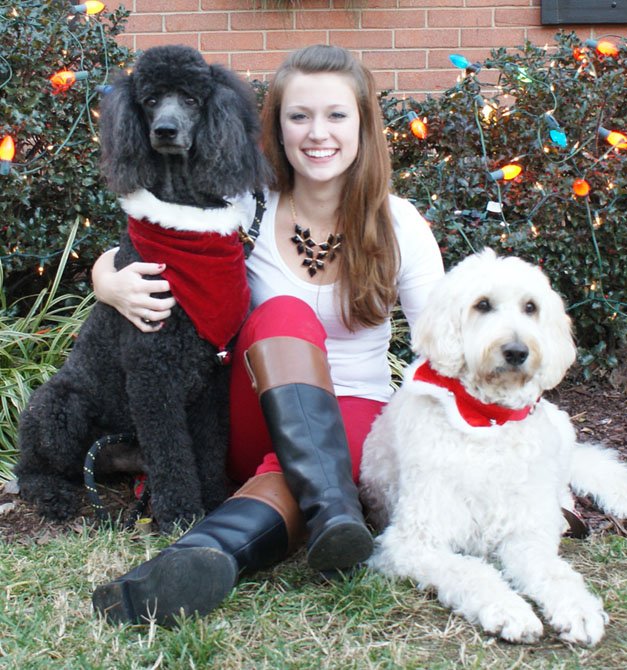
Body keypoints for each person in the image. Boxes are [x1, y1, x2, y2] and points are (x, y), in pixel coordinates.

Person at [91, 44, 444, 626]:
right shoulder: (241, 204)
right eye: (298, 116)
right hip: (245, 409)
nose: (317, 134)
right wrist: (106, 281)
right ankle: (333, 507)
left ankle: (201, 556)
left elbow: (446, 340)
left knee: (315, 458)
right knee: (282, 312)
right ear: (276, 127)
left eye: (336, 115)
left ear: (363, 124)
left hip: (353, 409)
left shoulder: (398, 222)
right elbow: (144, 238)